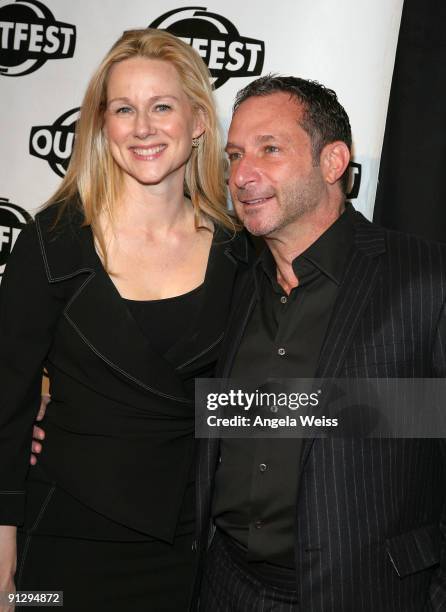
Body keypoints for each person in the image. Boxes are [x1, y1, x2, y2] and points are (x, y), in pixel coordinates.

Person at [0, 29, 252, 611]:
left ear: (196, 123)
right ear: (103, 125)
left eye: (161, 106)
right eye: (124, 109)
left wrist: (396, 412)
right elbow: (7, 399)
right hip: (60, 540)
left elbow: (255, 395)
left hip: (187, 550)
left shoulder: (241, 254)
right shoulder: (52, 241)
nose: (142, 127)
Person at [192, 76, 446, 610]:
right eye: (235, 154)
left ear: (333, 163)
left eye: (270, 149)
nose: (242, 174)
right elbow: (210, 413)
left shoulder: (424, 281)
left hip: (367, 592)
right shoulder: (230, 279)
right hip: (223, 584)